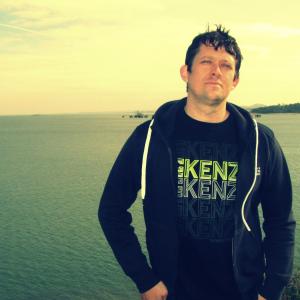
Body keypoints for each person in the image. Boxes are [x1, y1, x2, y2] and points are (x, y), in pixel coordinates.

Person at [98, 25, 295, 300]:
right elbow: (111, 210)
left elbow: (280, 221)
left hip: (243, 292)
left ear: (235, 80)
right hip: (173, 291)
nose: (216, 70)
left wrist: (271, 289)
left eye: (226, 65)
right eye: (206, 61)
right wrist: (145, 279)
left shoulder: (260, 141)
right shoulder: (150, 137)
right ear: (185, 73)